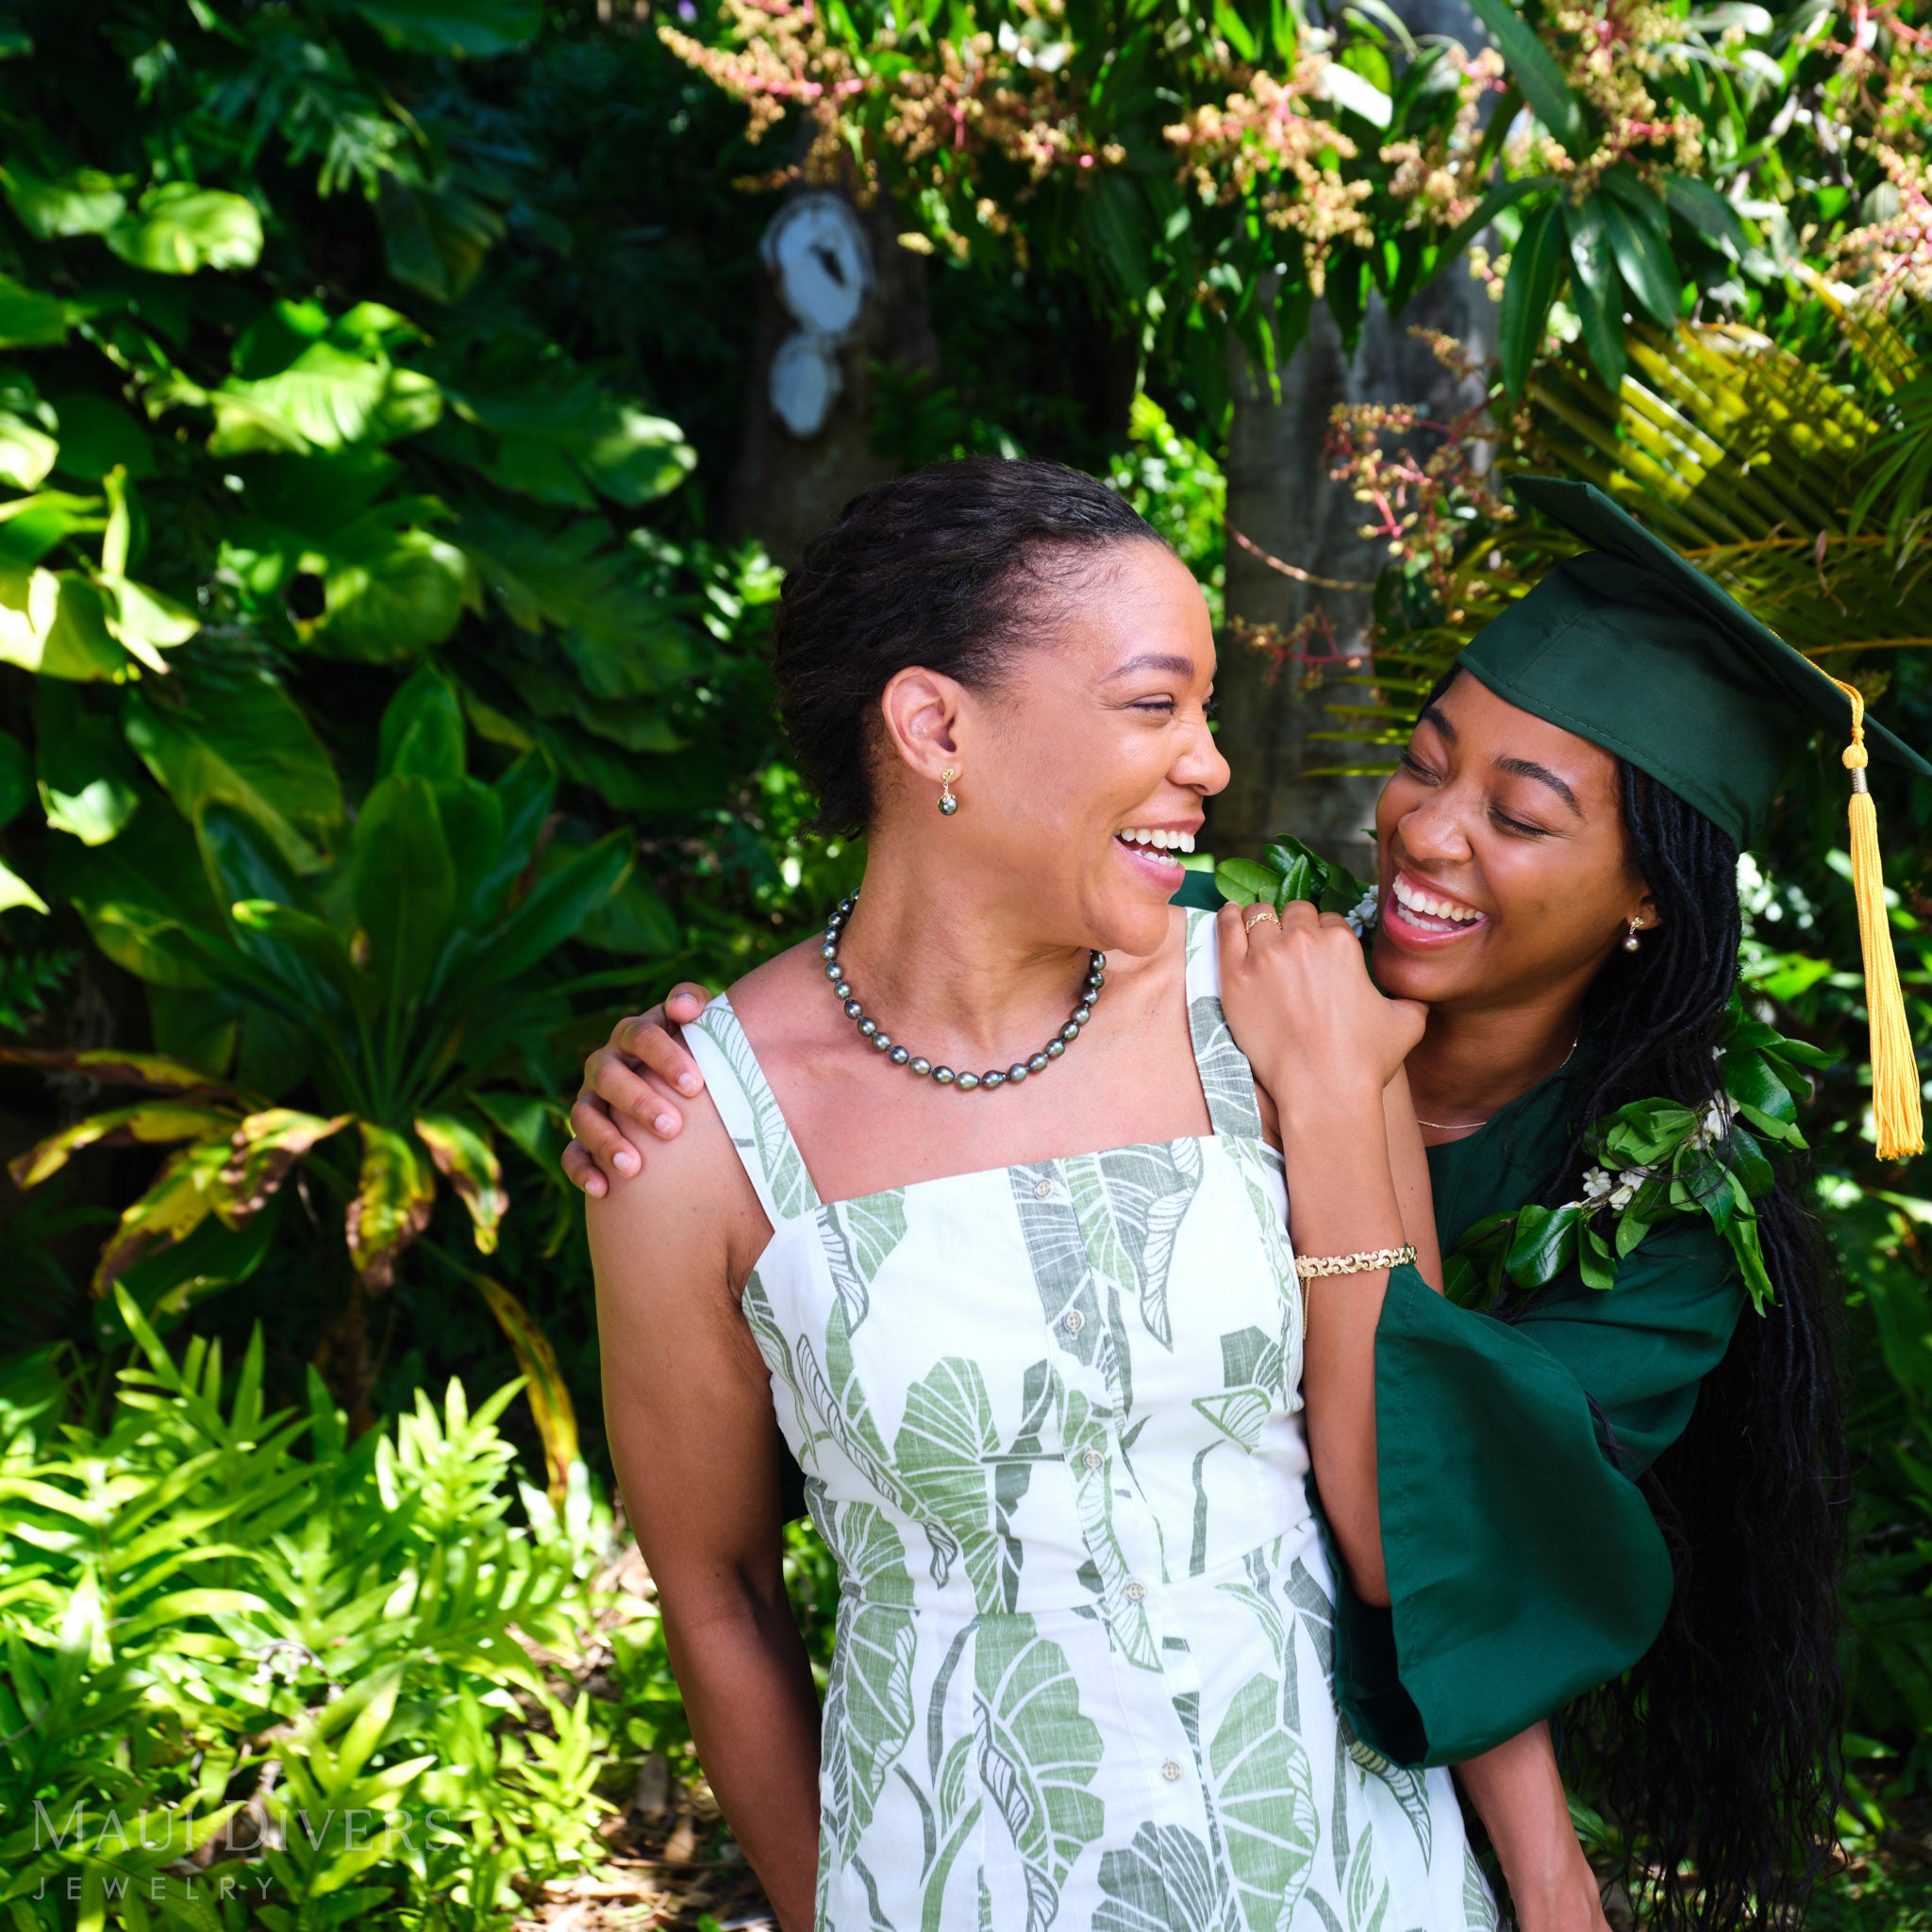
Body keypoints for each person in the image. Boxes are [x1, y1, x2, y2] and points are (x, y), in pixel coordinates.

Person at [569, 474, 1930, 1930]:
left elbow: (1420, 1512)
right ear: (933, 725)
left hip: (1345, 1860)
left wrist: (1546, 1879)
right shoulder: (701, 1126)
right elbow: (715, 1593)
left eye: (1523, 816)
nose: (1422, 833)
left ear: (1643, 897)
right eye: (1159, 708)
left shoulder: (1356, 1059)